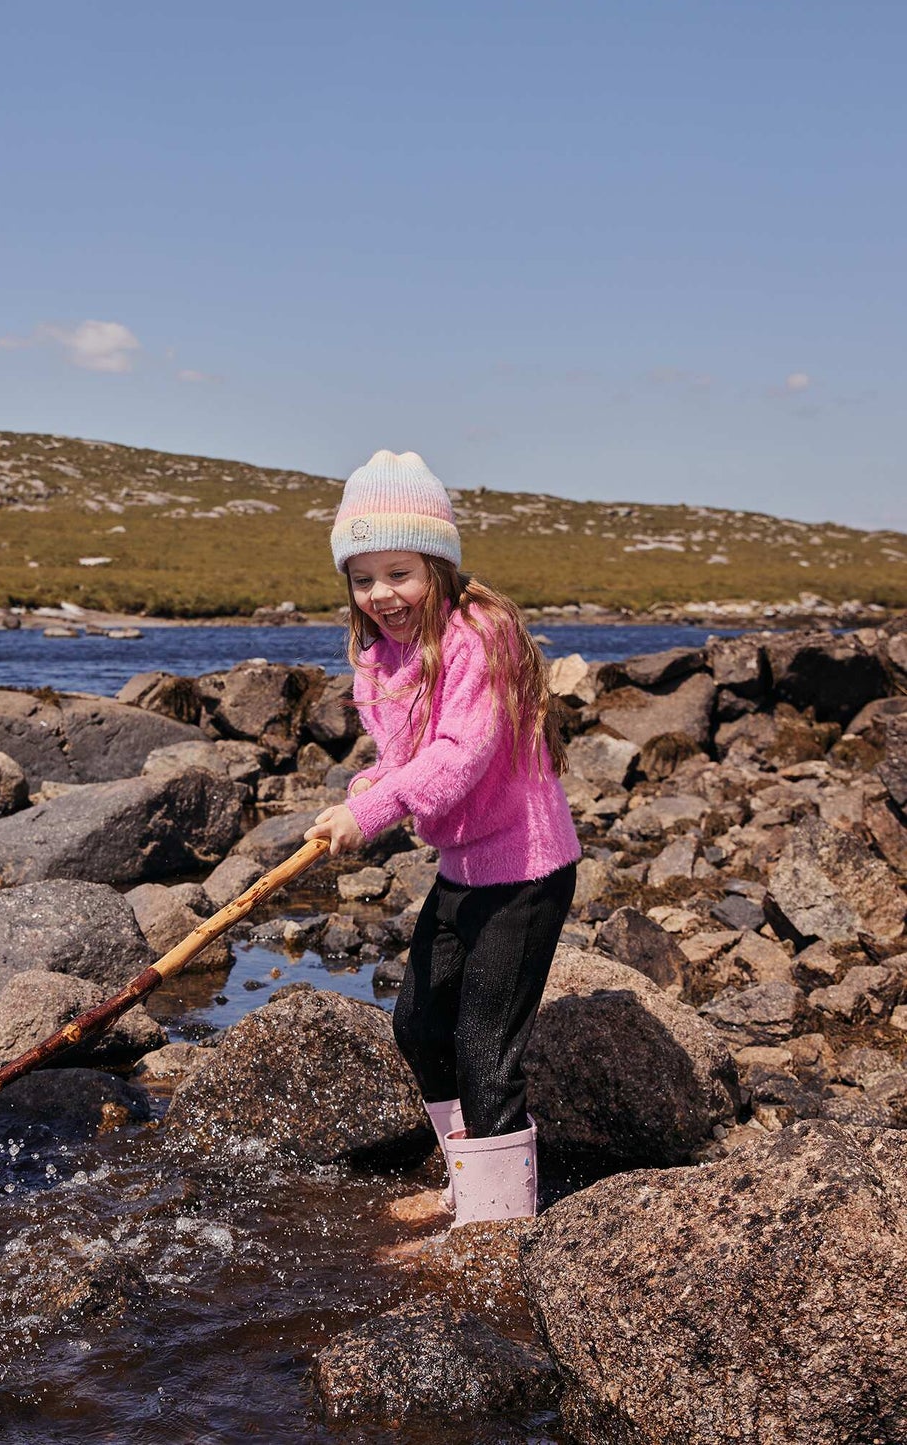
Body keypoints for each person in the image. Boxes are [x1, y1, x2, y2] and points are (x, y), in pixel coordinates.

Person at [305, 449, 579, 1229]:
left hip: (524, 870)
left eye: (398, 572)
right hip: (464, 866)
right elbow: (402, 759)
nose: (381, 594)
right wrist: (366, 788)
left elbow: (459, 757)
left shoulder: (477, 636)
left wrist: (368, 814)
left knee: (484, 1044)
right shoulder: (377, 655)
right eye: (362, 578)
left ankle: (493, 1230)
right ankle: (470, 1184)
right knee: (419, 1023)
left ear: (438, 564)